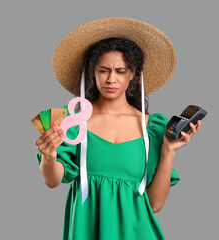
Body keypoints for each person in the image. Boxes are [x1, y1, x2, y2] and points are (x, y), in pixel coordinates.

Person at [35, 17, 201, 240]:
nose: (111, 79)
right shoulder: (74, 122)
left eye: (120, 71)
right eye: (104, 70)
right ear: (92, 73)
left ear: (133, 75)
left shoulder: (152, 128)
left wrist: (168, 150)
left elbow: (155, 204)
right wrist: (48, 156)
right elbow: (52, 180)